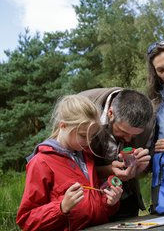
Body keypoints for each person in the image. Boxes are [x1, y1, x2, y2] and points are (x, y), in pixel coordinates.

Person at [16, 95, 123, 231]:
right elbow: (26, 220)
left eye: (92, 136)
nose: (89, 142)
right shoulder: (41, 162)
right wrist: (61, 207)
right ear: (63, 125)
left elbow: (93, 208)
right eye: (84, 135)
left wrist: (109, 203)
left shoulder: (86, 157)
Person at [79, 88, 154, 218]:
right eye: (123, 132)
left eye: (135, 135)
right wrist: (109, 170)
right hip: (87, 202)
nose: (128, 139)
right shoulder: (82, 108)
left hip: (125, 200)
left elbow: (145, 170)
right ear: (110, 113)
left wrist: (140, 168)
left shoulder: (148, 121)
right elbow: (70, 167)